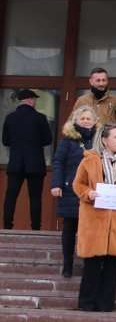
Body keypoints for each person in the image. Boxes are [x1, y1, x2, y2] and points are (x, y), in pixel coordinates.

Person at [73, 123, 116, 312]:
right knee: (92, 265)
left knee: (112, 266)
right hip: (94, 218)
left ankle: (105, 304)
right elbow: (78, 184)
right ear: (104, 140)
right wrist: (88, 193)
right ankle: (86, 304)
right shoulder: (89, 160)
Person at [51, 106, 97, 277]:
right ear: (76, 121)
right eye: (82, 118)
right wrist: (56, 184)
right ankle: (68, 264)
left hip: (93, 191)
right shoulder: (68, 140)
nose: (86, 121)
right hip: (71, 189)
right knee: (70, 227)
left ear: (94, 121)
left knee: (90, 228)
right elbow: (58, 162)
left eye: (89, 118)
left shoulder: (99, 140)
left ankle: (88, 262)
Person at [2, 89, 52, 230]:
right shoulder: (40, 117)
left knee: (11, 196)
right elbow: (48, 140)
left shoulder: (10, 117)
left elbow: (5, 141)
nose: (35, 102)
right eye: (35, 99)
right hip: (35, 164)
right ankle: (35, 228)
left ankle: (7, 227)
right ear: (31, 100)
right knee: (35, 198)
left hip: (15, 163)